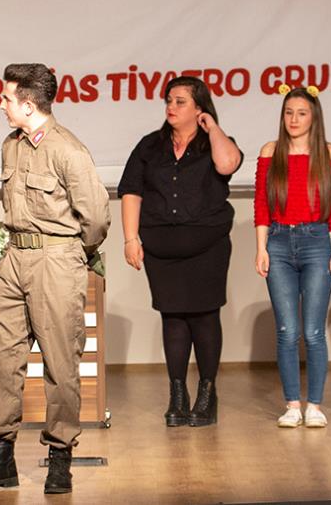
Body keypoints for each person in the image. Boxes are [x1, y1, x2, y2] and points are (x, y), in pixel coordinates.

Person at [0, 64, 109, 495]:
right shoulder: (11, 146)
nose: (1, 105)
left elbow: (96, 218)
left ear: (28, 104)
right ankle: (0, 456)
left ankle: (60, 458)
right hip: (14, 257)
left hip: (56, 259)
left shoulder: (68, 150)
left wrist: (73, 254)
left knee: (61, 362)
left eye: (7, 98)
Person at [118, 76, 242, 428]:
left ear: (199, 107)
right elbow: (131, 191)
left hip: (207, 248)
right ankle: (177, 394)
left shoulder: (216, 142)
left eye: (180, 101)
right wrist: (130, 238)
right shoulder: (150, 146)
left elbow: (227, 165)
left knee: (204, 317)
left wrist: (212, 128)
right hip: (161, 249)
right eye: (169, 101)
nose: (171, 107)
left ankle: (206, 394)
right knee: (172, 317)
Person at [253, 84, 331, 429]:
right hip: (278, 242)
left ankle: (315, 406)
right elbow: (262, 204)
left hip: (317, 241)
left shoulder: (328, 153)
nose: (294, 119)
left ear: (313, 117)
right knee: (287, 330)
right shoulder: (270, 151)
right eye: (289, 113)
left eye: (301, 113)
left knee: (313, 331)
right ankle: (292, 404)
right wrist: (261, 248)